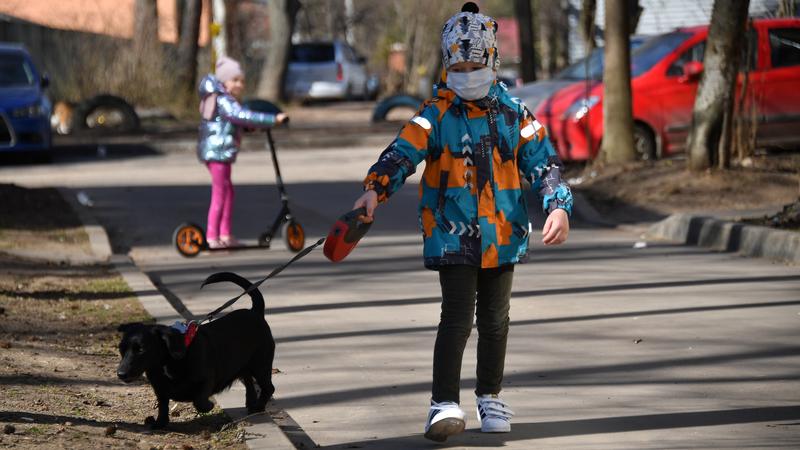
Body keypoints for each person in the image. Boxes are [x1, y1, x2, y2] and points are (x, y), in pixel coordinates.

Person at [352, 2, 573, 442]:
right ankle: (443, 403)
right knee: (457, 317)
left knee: (496, 319)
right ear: (447, 64)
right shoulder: (434, 112)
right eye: (458, 64)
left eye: (475, 63)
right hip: (450, 232)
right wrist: (375, 189)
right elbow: (402, 152)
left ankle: (490, 394)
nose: (467, 72)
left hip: (504, 233)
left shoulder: (514, 113)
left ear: (492, 61)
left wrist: (558, 204)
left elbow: (543, 163)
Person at [197, 56, 288, 249]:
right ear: (224, 81)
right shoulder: (223, 100)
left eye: (242, 81)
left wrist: (248, 128)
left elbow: (232, 122)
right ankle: (212, 236)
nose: (240, 84)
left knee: (228, 193)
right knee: (220, 193)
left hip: (220, 153)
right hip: (218, 153)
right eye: (235, 80)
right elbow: (241, 116)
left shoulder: (222, 99)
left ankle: (225, 234)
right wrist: (273, 119)